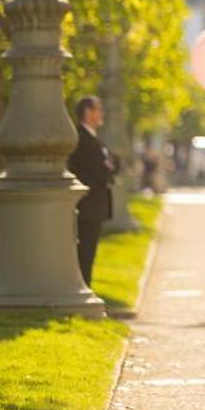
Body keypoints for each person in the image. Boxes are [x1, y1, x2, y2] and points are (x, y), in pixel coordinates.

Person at [67, 96, 115, 286]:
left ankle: (86, 285)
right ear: (88, 112)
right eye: (98, 109)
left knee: (90, 250)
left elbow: (112, 163)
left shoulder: (95, 138)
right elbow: (100, 168)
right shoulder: (81, 138)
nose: (101, 113)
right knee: (85, 250)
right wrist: (107, 167)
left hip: (95, 204)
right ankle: (83, 286)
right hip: (87, 205)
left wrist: (109, 166)